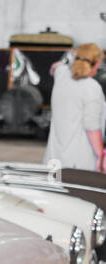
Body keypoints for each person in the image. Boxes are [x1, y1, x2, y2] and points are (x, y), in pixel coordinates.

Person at [44, 43, 106, 172]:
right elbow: (91, 126)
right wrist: (101, 155)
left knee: (53, 191)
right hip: (80, 162)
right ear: (97, 64)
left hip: (53, 160)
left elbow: (55, 67)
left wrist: (64, 65)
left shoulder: (61, 75)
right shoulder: (92, 88)